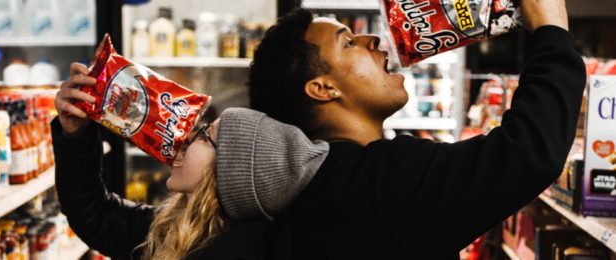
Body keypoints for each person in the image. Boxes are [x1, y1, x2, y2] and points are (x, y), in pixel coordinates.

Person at [249, 0, 584, 258]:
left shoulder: (325, 182)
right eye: (348, 43)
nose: (373, 40)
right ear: (322, 88)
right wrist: (552, 31)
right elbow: (526, 153)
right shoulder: (377, 181)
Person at [53, 65, 329, 259]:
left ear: (231, 174)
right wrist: (76, 134)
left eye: (204, 135)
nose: (184, 138)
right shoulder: (179, 226)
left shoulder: (228, 250)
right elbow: (95, 214)